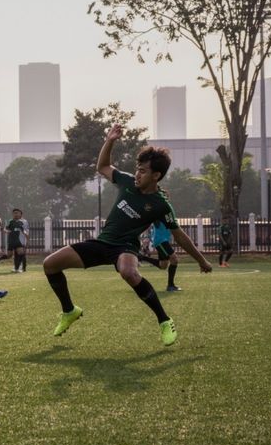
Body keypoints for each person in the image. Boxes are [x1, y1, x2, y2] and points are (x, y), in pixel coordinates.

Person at [43, 124, 212, 346]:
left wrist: (202, 260)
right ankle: (69, 311)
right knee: (50, 264)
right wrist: (110, 140)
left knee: (128, 272)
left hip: (125, 247)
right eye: (137, 168)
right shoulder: (126, 182)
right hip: (102, 242)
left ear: (156, 175)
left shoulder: (161, 205)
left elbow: (179, 235)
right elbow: (102, 166)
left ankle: (164, 320)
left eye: (143, 171)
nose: (137, 174)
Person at [138, 220, 182, 291]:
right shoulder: (159, 214)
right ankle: (170, 286)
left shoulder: (169, 215)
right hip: (161, 240)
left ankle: (141, 257)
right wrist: (147, 236)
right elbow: (149, 222)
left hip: (163, 240)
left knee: (163, 265)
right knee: (174, 259)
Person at [0, 208, 29, 272]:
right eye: (15, 213)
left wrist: (26, 235)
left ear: (20, 214)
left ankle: (17, 269)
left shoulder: (20, 222)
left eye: (17, 213)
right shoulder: (10, 222)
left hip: (17, 241)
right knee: (9, 256)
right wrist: (5, 231)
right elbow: (5, 229)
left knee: (22, 253)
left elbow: (23, 230)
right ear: (13, 214)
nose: (16, 214)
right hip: (11, 241)